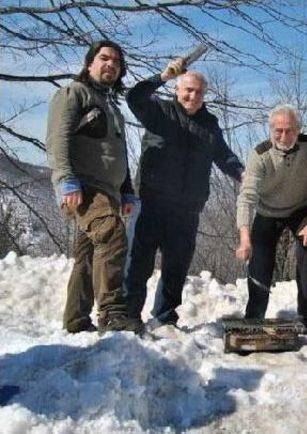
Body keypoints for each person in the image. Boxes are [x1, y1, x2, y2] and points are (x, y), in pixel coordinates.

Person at [125, 58, 244, 329]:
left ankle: (165, 317)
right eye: (188, 90)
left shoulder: (209, 124)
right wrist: (163, 76)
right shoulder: (159, 111)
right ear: (178, 90)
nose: (193, 96)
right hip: (151, 203)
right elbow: (134, 97)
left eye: (199, 92)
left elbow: (223, 155)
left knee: (175, 268)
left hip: (187, 209)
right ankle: (129, 316)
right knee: (138, 262)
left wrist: (243, 174)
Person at [46, 40, 137, 333]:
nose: (111, 64)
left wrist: (126, 190)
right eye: (104, 58)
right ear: (90, 64)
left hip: (109, 191)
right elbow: (58, 138)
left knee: (88, 256)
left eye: (116, 62)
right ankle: (112, 313)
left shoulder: (112, 107)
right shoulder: (73, 93)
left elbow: (119, 153)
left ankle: (76, 320)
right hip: (83, 187)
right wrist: (65, 179)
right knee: (111, 234)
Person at [235, 105, 307, 333]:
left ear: (298, 130)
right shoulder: (260, 154)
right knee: (260, 259)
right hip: (268, 211)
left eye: (289, 130)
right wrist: (245, 238)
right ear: (270, 130)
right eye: (278, 130)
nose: (284, 136)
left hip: (301, 209)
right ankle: (255, 315)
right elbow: (247, 197)